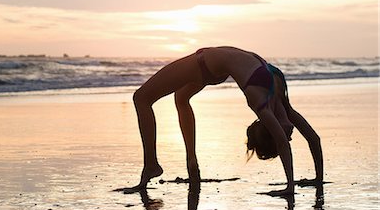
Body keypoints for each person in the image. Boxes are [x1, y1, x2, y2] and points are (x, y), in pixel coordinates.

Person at [129, 46, 323, 196]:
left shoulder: (262, 103)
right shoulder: (283, 106)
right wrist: (317, 179)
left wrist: (290, 186)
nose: (290, 137)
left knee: (141, 98)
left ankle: (151, 165)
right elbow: (313, 139)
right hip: (211, 67)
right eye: (288, 136)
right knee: (181, 99)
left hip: (203, 64)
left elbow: (283, 141)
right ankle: (191, 163)